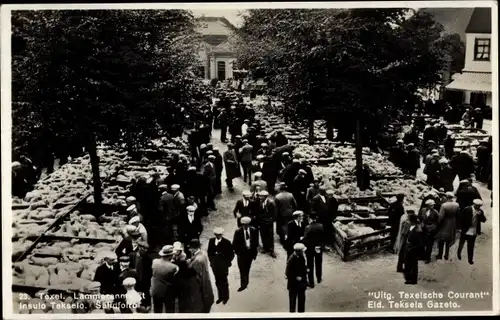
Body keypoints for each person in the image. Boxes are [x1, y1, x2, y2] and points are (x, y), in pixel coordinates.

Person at [186, 239, 215, 313]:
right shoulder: (202, 254)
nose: (189, 250)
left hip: (200, 289)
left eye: (190, 248)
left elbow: (198, 277)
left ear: (192, 249)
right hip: (206, 284)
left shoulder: (197, 261)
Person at [207, 227, 235, 305]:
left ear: (221, 234)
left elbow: (231, 254)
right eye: (216, 235)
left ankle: (225, 297)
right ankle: (220, 297)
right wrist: (212, 261)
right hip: (215, 266)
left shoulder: (227, 242)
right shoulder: (211, 241)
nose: (218, 236)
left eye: (219, 235)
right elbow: (209, 252)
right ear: (215, 234)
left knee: (224, 281)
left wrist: (226, 262)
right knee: (217, 281)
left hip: (223, 267)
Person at [232, 216, 259, 292]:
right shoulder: (238, 232)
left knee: (247, 269)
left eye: (247, 225)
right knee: (241, 269)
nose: (246, 226)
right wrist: (238, 253)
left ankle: (246, 281)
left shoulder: (253, 230)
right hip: (241, 255)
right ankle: (243, 284)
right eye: (244, 225)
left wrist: (253, 251)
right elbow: (234, 244)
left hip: (250, 254)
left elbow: (256, 242)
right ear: (242, 225)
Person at [150, 245, 179, 313]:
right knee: (170, 310)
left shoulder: (154, 261)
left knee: (157, 310)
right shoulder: (174, 267)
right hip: (167, 292)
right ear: (170, 256)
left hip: (156, 291)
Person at [457, 199, 487, 265]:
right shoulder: (467, 209)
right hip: (465, 230)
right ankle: (459, 253)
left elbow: (484, 220)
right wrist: (459, 228)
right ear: (474, 204)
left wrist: (480, 215)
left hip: (473, 231)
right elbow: (460, 218)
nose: (478, 207)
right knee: (461, 243)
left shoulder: (480, 211)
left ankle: (470, 259)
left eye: (479, 206)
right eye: (477, 206)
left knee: (471, 246)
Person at [436, 192, 460, 260]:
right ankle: (446, 254)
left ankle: (440, 254)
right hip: (453, 223)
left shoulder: (444, 205)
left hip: (445, 223)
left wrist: (438, 224)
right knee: (449, 239)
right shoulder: (456, 205)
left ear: (447, 197)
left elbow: (441, 216)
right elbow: (458, 215)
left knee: (441, 239)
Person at [303, 214, 324, 287]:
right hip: (318, 248)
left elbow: (305, 240)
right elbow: (323, 238)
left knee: (310, 265)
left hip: (310, 249)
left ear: (310, 219)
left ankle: (311, 282)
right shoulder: (321, 226)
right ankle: (319, 278)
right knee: (319, 263)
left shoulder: (307, 227)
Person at [286, 242, 308, 313]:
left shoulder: (302, 257)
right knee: (292, 303)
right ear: (298, 251)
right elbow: (287, 273)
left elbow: (303, 267)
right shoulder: (291, 259)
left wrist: (306, 269)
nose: (303, 252)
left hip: (301, 285)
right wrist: (295, 277)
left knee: (301, 302)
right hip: (293, 285)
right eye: (302, 251)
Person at [403, 214, 424, 285]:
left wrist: (411, 248)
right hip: (409, 247)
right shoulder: (413, 227)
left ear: (412, 221)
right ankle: (409, 278)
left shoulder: (418, 230)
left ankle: (413, 280)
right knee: (408, 263)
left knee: (413, 265)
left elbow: (419, 243)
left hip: (413, 249)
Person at [255, 190, 277, 257]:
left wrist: (272, 220)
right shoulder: (260, 202)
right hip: (262, 222)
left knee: (270, 236)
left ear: (265, 196)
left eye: (261, 196)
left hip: (269, 222)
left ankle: (271, 250)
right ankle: (265, 247)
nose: (260, 197)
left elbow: (275, 213)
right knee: (263, 235)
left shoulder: (271, 202)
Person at [419, 199, 439, 264]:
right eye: (431, 205)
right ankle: (423, 255)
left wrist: (433, 227)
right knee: (422, 243)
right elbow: (420, 217)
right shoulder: (423, 210)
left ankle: (428, 258)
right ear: (427, 205)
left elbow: (437, 221)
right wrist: (421, 224)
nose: (432, 206)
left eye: (433, 205)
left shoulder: (435, 212)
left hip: (431, 229)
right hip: (423, 229)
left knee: (429, 244)